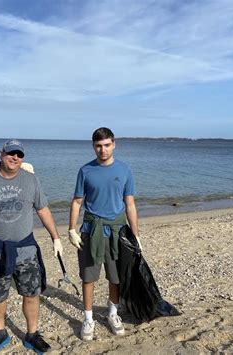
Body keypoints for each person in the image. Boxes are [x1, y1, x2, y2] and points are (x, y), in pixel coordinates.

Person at [0, 139, 63, 353]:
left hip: (26, 250)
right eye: (10, 153)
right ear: (1, 154)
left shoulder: (31, 180)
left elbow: (43, 210)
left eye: (19, 154)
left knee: (31, 293)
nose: (15, 157)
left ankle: (32, 334)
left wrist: (56, 237)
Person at [68, 127, 140, 341]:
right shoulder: (85, 170)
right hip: (91, 231)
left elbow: (130, 204)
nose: (103, 149)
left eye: (107, 145)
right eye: (98, 146)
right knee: (88, 277)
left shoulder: (125, 170)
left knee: (115, 277)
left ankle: (112, 314)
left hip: (117, 231)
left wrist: (136, 235)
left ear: (114, 144)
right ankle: (88, 318)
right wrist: (71, 229)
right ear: (93, 146)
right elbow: (77, 202)